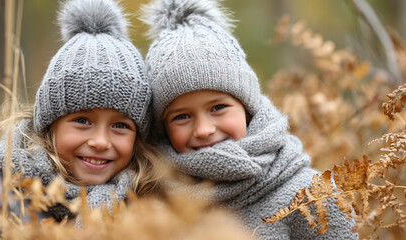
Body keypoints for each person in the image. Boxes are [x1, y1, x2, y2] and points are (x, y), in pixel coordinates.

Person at [141, 0, 358, 239]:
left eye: (218, 108)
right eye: (182, 116)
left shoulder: (310, 193)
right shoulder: (151, 197)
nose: (203, 129)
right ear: (163, 128)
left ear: (247, 108)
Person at [0, 0, 162, 223]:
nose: (101, 142)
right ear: (49, 125)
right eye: (83, 120)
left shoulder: (151, 204)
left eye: (120, 125)